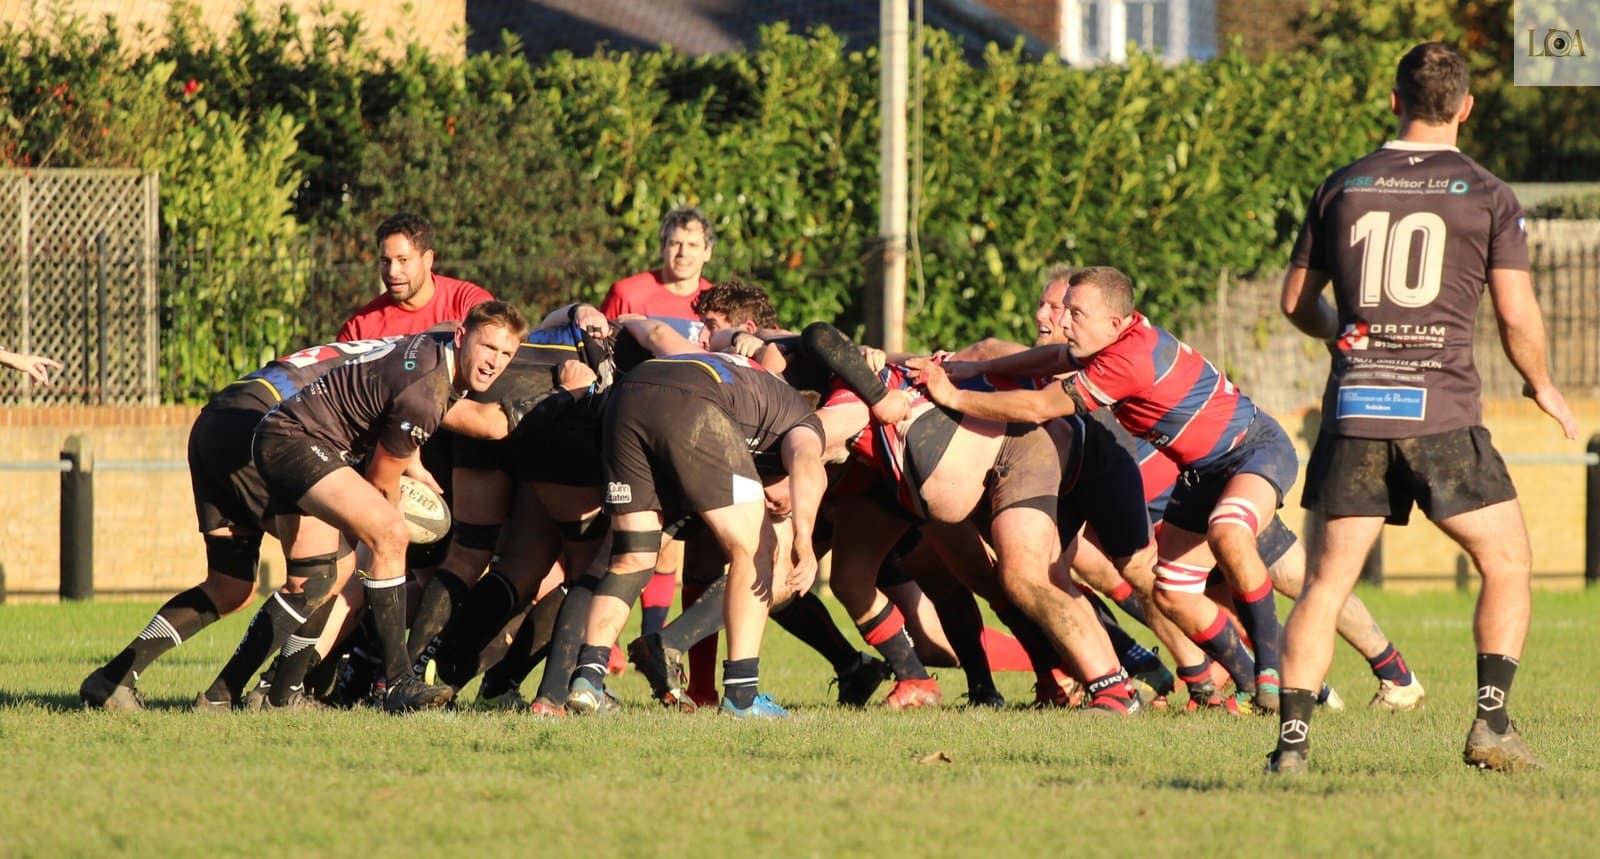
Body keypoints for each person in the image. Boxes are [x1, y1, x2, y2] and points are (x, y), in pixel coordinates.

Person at [1267, 42, 1578, 775]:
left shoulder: (1342, 186)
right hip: (1440, 413)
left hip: (1358, 408)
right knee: (1506, 559)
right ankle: (1491, 724)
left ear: (1394, 101)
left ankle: (1291, 749)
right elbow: (1516, 313)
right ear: (1466, 106)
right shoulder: (1488, 193)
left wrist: (1339, 335)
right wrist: (1540, 383)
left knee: (1325, 583)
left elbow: (1296, 302)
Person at [918, 266, 1297, 713]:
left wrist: (954, 396)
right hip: (1200, 475)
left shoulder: (1126, 360)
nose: (1062, 322)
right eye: (1063, 310)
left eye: (1074, 313)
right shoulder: (1114, 339)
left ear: (1114, 322)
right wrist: (977, 368)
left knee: (1231, 534)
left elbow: (1039, 406)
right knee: (1170, 592)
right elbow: (1050, 359)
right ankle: (1248, 681)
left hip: (1251, 449)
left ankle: (1274, 677)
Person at [219, 302, 527, 713]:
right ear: (460, 336)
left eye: (506, 353)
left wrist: (413, 466)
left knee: (316, 579)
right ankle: (398, 681)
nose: (495, 362)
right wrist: (388, 530)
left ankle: (225, 694)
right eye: (488, 347)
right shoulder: (428, 389)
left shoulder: (434, 355)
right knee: (390, 534)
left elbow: (390, 411)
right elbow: (382, 480)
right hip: (297, 442)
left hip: (286, 435)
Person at [565, 320, 829, 718]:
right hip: (692, 402)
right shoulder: (800, 417)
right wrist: (805, 543)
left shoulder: (744, 377)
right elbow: (808, 463)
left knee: (633, 557)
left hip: (629, 394)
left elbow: (658, 341)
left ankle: (588, 681)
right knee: (755, 548)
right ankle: (742, 697)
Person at [599, 208, 719, 639]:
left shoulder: (714, 303)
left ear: (707, 252)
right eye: (674, 243)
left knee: (669, 543)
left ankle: (651, 636)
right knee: (620, 542)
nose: (682, 253)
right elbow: (600, 348)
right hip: (627, 427)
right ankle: (607, 639)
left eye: (692, 244)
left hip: (687, 430)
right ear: (662, 246)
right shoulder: (629, 292)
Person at [336, 213, 495, 341]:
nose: (392, 272)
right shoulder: (357, 332)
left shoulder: (469, 304)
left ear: (428, 259)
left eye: (403, 260)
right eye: (385, 261)